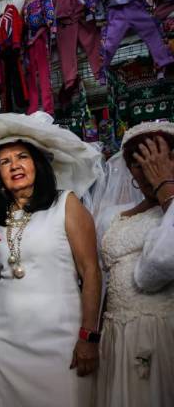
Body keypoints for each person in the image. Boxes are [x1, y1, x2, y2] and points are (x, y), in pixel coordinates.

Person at [0, 112, 103, 407]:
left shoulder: (67, 204)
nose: (14, 165)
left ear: (37, 164)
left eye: (22, 156)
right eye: (4, 161)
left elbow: (91, 272)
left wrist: (89, 335)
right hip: (7, 337)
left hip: (62, 335)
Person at [95, 121, 174, 407]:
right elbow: (106, 280)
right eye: (139, 162)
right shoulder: (112, 216)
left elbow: (155, 269)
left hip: (161, 332)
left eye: (157, 159)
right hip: (116, 333)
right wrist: (95, 335)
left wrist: (167, 190)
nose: (148, 169)